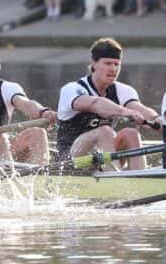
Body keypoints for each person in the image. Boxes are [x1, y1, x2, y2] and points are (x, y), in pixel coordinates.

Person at [55, 38, 159, 170]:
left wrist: (157, 119)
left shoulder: (123, 90)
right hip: (69, 160)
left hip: (100, 156)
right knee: (105, 131)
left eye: (117, 64)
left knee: (131, 133)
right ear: (93, 64)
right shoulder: (72, 89)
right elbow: (96, 104)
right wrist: (124, 112)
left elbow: (139, 108)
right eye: (108, 63)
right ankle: (114, 179)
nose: (113, 69)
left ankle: (140, 179)